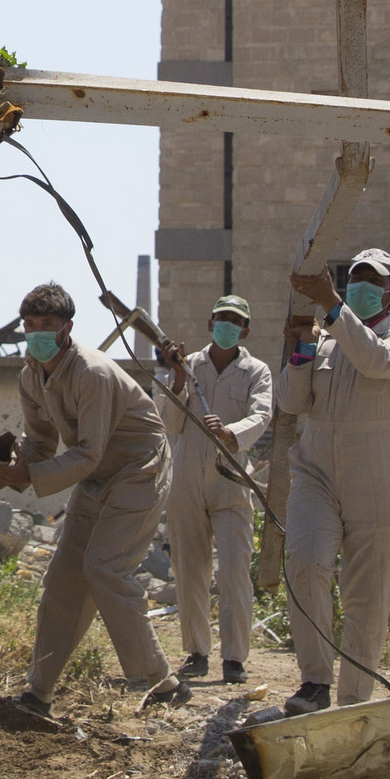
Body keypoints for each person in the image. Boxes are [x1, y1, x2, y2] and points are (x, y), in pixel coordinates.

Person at [0, 282, 182, 712]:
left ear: (66, 328)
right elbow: (39, 444)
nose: (37, 333)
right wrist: (4, 472)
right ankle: (38, 691)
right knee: (63, 579)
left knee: (104, 567)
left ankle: (161, 682)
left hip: (138, 469)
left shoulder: (91, 372)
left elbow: (88, 452)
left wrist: (26, 473)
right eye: (30, 325)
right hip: (95, 475)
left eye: (47, 325)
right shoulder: (30, 376)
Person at [278, 244, 390, 713]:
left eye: (373, 281)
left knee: (368, 592)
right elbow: (290, 402)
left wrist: (331, 307)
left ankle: (354, 701)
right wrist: (301, 347)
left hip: (375, 471)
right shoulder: (324, 340)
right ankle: (315, 682)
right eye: (356, 277)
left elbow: (376, 361)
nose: (362, 285)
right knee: (304, 562)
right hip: (316, 466)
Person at [154, 291, 273, 686]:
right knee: (189, 567)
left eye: (235, 321)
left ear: (245, 329)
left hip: (232, 476)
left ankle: (235, 658)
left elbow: (261, 414)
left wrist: (231, 433)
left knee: (236, 569)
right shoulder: (189, 367)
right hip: (187, 475)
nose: (227, 326)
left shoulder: (257, 371)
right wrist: (178, 377)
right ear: (210, 324)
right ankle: (197, 651)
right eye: (221, 318)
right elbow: (170, 424)